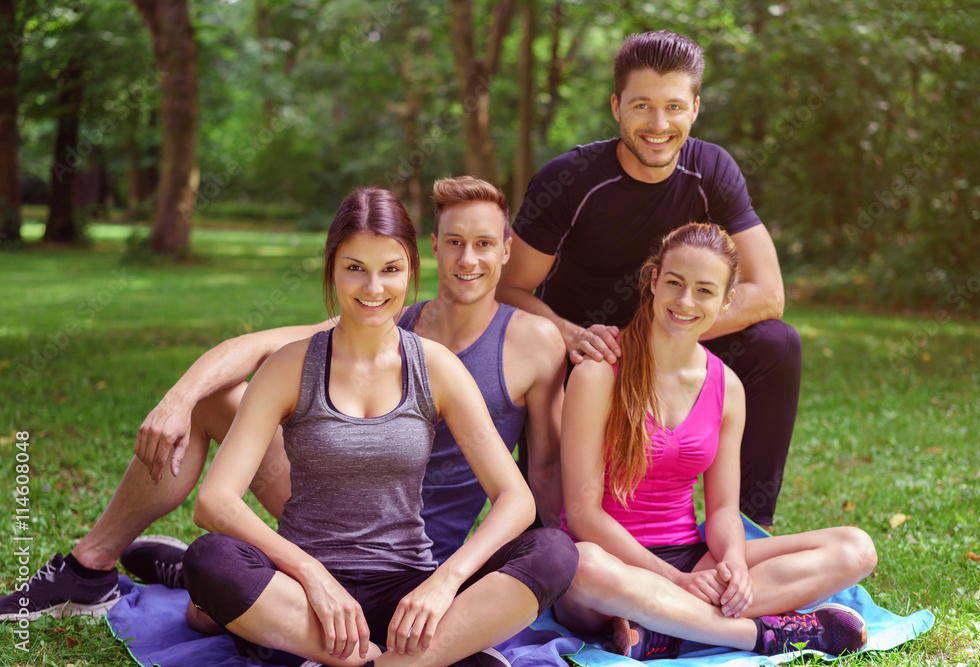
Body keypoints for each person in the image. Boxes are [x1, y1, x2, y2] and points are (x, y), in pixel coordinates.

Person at [0, 177, 569, 631]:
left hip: (419, 555)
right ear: (433, 250)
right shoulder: (382, 316)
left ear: (505, 250)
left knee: (553, 553)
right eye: (454, 242)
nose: (468, 258)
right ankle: (94, 567)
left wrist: (543, 578)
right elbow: (252, 349)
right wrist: (179, 398)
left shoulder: (520, 346)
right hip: (327, 517)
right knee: (211, 422)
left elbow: (538, 475)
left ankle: (224, 592)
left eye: (483, 243)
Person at [181, 185, 577, 667]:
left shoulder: (437, 367)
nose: (373, 288)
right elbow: (214, 501)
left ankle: (366, 660)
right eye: (355, 268)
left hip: (405, 589)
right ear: (332, 268)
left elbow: (516, 498)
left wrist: (443, 583)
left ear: (411, 269)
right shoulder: (289, 366)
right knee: (210, 559)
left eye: (390, 269)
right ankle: (409, 660)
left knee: (554, 552)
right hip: (306, 598)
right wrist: (311, 574)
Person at [497, 29, 800, 530]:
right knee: (553, 539)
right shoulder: (569, 180)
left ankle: (746, 528)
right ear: (617, 107)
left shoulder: (712, 170)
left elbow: (768, 294)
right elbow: (508, 290)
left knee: (776, 344)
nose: (659, 124)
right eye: (642, 106)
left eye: (674, 107)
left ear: (695, 109)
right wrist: (570, 335)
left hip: (669, 338)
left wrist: (662, 339)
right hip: (587, 355)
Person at [550, 223, 877, 659]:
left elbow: (722, 508)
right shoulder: (599, 372)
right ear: (653, 281)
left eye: (704, 290)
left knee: (855, 548)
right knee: (580, 566)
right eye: (674, 283)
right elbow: (581, 513)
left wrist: (734, 565)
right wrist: (675, 580)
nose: (685, 301)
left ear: (726, 300)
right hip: (609, 564)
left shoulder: (729, 388)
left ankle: (663, 628)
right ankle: (759, 634)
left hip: (688, 554)